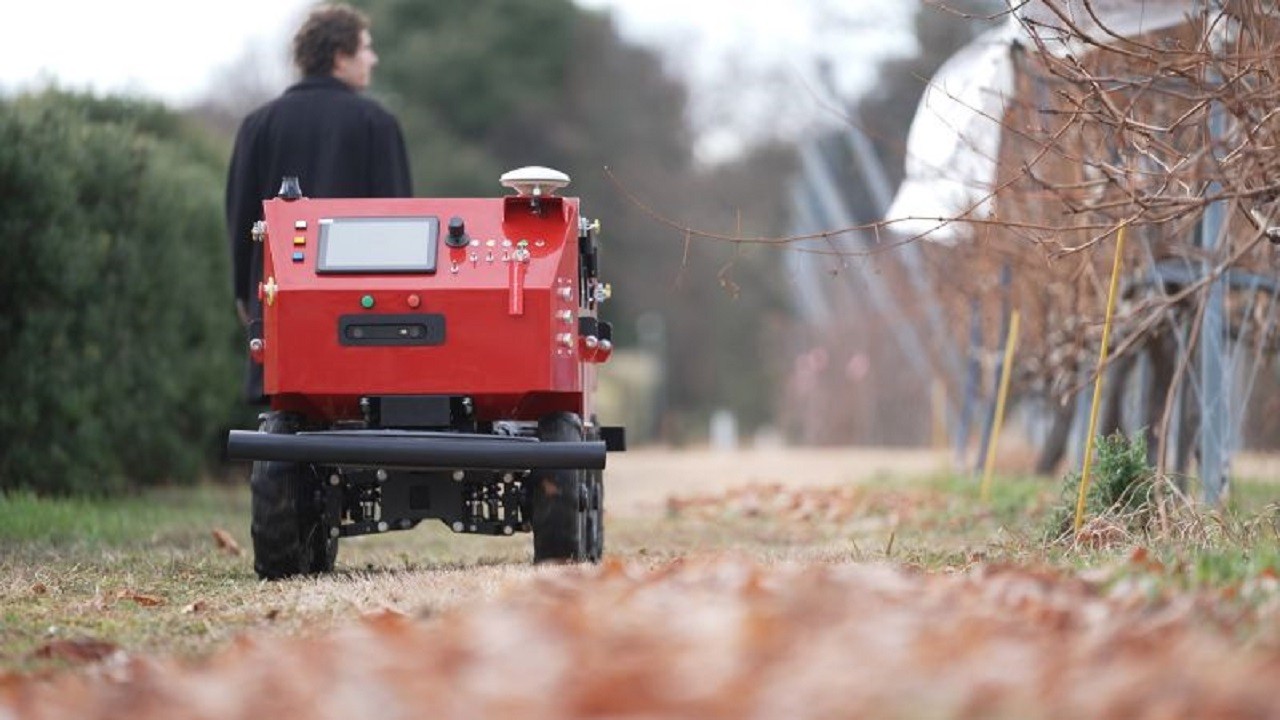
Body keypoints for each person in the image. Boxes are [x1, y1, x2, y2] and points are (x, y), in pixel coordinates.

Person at [225, 2, 413, 401]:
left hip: (281, 314)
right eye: (366, 48)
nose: (373, 59)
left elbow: (241, 221)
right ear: (340, 56)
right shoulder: (376, 124)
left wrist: (246, 295)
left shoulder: (258, 125)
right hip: (365, 323)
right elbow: (402, 226)